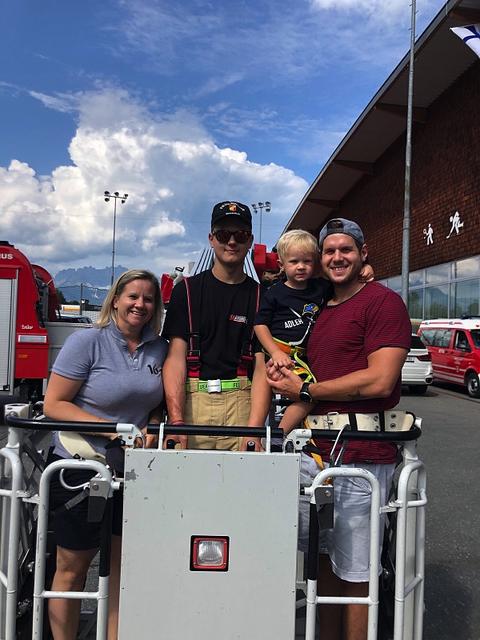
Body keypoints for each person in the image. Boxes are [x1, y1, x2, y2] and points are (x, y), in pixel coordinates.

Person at [266, 218, 411, 640]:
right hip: (315, 453)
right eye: (329, 251)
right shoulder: (320, 310)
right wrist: (272, 437)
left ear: (364, 254)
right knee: (322, 565)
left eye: (346, 249)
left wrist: (307, 386)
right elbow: (308, 394)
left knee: (355, 573)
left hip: (363, 456)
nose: (337, 257)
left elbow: (380, 380)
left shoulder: (382, 303)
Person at [43, 269, 167, 640]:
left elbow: (157, 402)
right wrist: (112, 429)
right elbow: (55, 403)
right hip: (81, 467)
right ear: (115, 299)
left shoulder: (158, 348)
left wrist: (153, 425)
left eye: (148, 299)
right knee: (73, 565)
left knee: (120, 568)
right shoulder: (88, 342)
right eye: (132, 296)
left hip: (132, 471)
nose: (140, 305)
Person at [162, 201, 270, 451]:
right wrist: (177, 421)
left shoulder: (262, 296)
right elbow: (176, 358)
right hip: (191, 405)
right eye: (223, 234)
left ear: (250, 240)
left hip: (243, 407)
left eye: (240, 235)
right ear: (211, 238)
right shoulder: (186, 291)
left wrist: (254, 431)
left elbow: (261, 368)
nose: (231, 241)